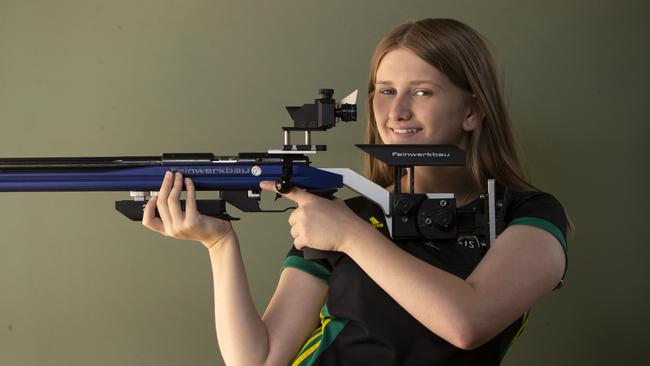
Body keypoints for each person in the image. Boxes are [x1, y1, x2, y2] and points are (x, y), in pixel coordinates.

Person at [142, 18, 569, 366]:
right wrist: (219, 243)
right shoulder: (349, 211)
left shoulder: (527, 215)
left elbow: (467, 324)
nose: (397, 111)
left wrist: (349, 235)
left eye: (422, 91)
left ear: (473, 110)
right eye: (385, 91)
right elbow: (261, 358)